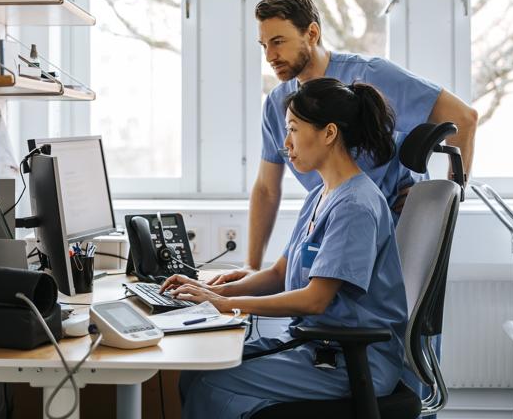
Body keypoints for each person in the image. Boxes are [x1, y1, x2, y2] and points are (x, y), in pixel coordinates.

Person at [162, 78, 408, 419]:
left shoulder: (355, 206)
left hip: (353, 362)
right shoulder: (320, 194)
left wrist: (224, 303)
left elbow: (315, 299)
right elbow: (280, 273)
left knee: (210, 384)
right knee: (193, 373)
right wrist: (209, 291)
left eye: (293, 129)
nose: (285, 143)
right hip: (318, 345)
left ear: (329, 133)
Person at [214, 0, 477, 285]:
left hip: (391, 238)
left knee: (388, 324)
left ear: (312, 33)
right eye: (264, 45)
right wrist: (251, 265)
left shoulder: (372, 76)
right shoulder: (279, 105)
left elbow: (464, 119)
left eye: (278, 42)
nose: (269, 57)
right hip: (332, 236)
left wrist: (441, 200)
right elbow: (266, 187)